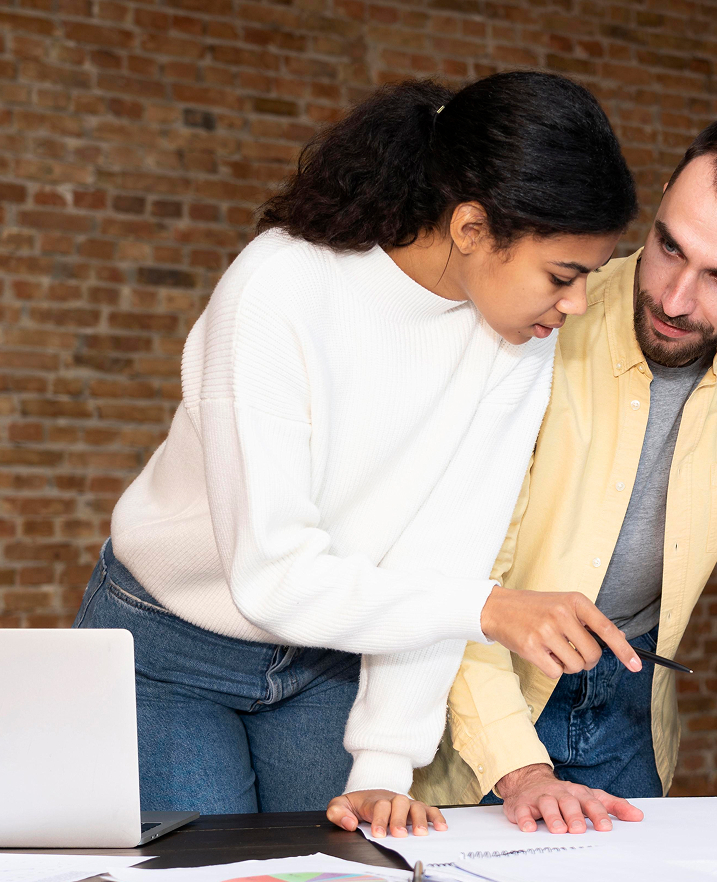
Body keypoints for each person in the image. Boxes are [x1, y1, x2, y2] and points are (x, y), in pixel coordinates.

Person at [75, 73, 644, 833]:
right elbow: (272, 576)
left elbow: (444, 552)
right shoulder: (279, 290)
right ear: (471, 227)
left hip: (331, 656)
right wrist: (487, 609)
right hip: (169, 651)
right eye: (562, 276)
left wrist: (383, 765)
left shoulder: (520, 334)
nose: (576, 304)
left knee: (341, 878)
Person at [391, 111, 717, 835]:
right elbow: (462, 569)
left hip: (632, 702)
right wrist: (519, 770)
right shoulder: (542, 316)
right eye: (669, 247)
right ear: (657, 209)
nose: (676, 299)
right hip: (484, 692)